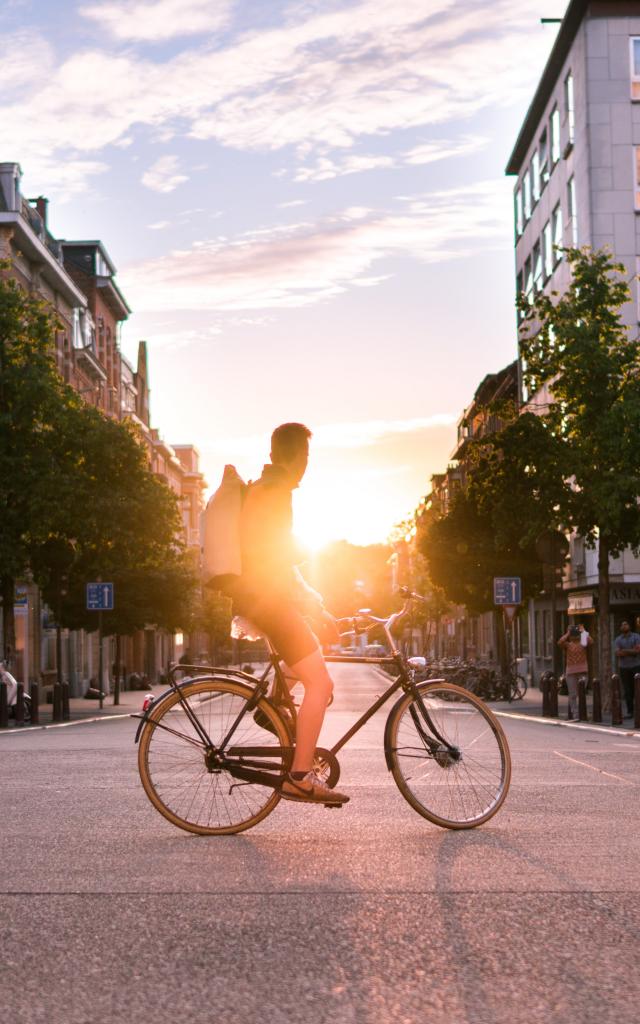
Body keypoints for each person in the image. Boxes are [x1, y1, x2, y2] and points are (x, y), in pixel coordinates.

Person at [228, 423, 349, 806]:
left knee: (315, 647)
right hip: (268, 601)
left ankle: (274, 705)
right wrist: (312, 604)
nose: (307, 465)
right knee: (321, 685)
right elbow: (277, 560)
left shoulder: (263, 487)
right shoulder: (277, 492)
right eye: (307, 457)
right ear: (297, 456)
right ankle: (299, 776)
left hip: (261, 598)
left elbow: (281, 560)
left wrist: (316, 604)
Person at [558, 623, 592, 720]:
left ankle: (582, 713)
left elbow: (591, 641)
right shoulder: (567, 645)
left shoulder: (583, 643)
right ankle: (575, 714)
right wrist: (568, 633)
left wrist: (583, 630)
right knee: (572, 694)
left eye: (574, 632)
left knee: (581, 693)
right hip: (571, 672)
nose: (574, 635)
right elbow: (560, 642)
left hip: (583, 671)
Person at [614, 620, 640, 719]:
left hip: (636, 666)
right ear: (620, 628)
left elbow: (637, 651)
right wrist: (631, 651)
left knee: (637, 689)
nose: (624, 626)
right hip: (624, 667)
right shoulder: (618, 639)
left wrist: (624, 650)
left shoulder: (636, 637)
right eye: (622, 624)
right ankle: (630, 712)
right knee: (627, 690)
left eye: (626, 624)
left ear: (629, 626)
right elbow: (617, 653)